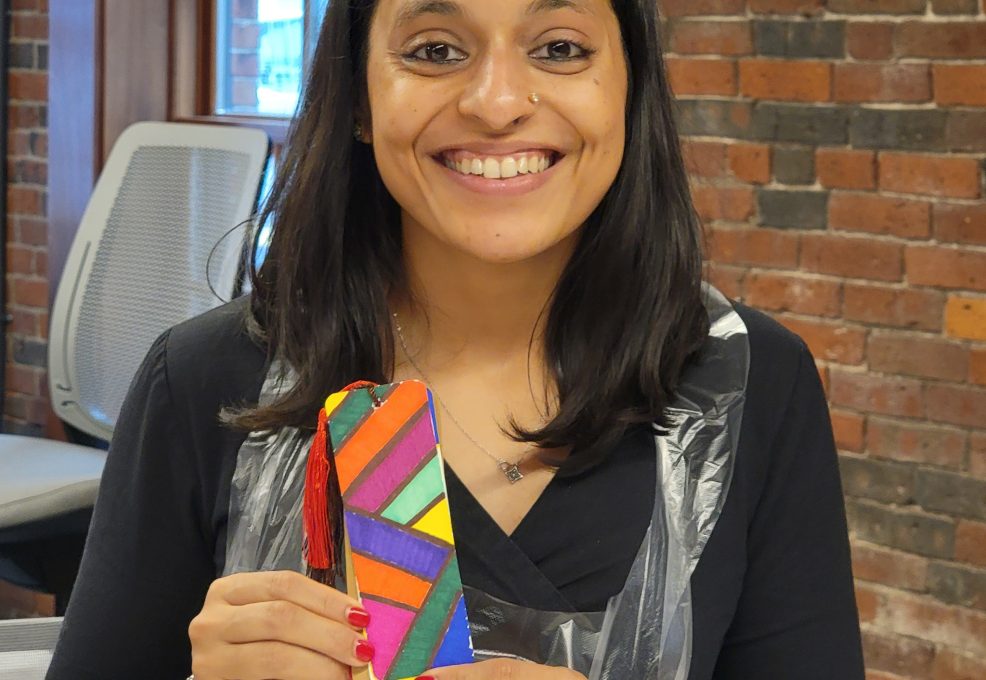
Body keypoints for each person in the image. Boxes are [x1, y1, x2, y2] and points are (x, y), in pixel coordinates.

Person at [47, 1, 865, 678]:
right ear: (360, 100)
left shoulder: (755, 387)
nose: (498, 101)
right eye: (435, 49)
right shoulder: (202, 384)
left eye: (559, 47)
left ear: (629, 89)